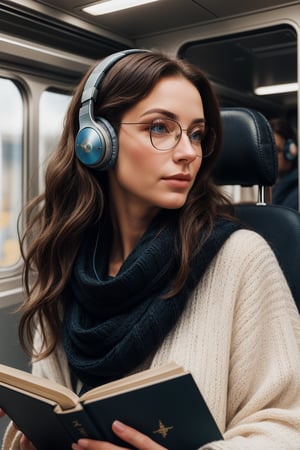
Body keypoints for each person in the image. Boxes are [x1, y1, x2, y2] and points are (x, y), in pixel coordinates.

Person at [1, 49, 300, 450]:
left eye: (196, 134)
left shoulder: (241, 256)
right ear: (95, 141)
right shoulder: (66, 259)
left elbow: (289, 426)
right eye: (160, 128)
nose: (189, 152)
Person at [269, 117, 298, 210]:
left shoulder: (296, 195)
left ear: (291, 151)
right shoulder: (272, 187)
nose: (270, 156)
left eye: (276, 150)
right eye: (268, 150)